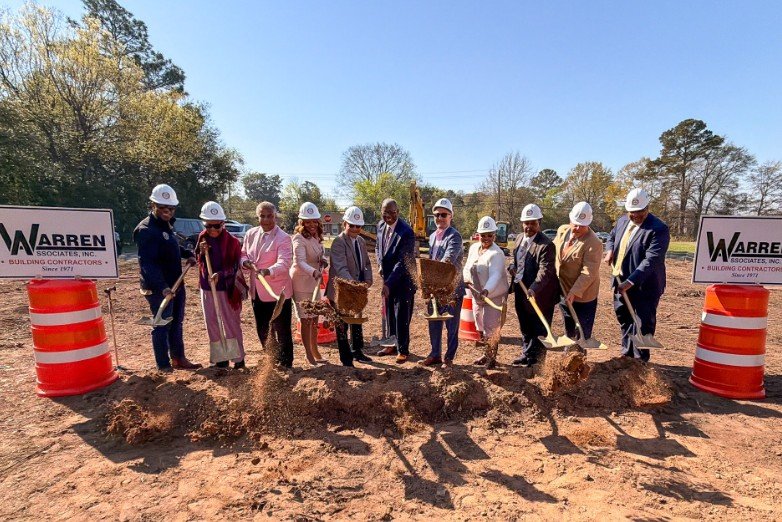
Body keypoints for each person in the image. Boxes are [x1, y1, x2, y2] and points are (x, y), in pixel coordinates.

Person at [133, 184, 201, 372]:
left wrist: (186, 253)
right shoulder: (146, 230)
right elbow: (147, 264)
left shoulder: (166, 227)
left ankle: (178, 358)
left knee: (176, 322)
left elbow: (170, 249)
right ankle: (163, 365)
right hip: (159, 288)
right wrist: (162, 287)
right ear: (153, 205)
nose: (167, 212)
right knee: (162, 324)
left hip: (176, 283)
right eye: (163, 208)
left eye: (171, 208)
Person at [604, 188, 670, 362]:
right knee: (624, 318)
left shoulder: (658, 229)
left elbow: (651, 260)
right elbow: (611, 237)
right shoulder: (622, 221)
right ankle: (627, 355)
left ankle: (640, 361)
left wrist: (631, 281)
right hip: (620, 281)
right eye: (632, 212)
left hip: (644, 286)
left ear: (648, 207)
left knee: (642, 324)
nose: (636, 216)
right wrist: (609, 250)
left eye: (640, 211)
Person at [241, 201, 294, 368]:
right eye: (262, 216)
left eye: (269, 216)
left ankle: (286, 363)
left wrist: (268, 271)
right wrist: (245, 262)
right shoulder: (250, 234)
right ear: (258, 217)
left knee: (282, 329)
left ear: (275, 216)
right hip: (257, 291)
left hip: (278, 292)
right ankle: (271, 358)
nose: (266, 220)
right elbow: (243, 253)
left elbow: (285, 262)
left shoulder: (283, 238)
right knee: (263, 328)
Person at [195, 201, 246, 369]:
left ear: (223, 224)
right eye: (208, 226)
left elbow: (235, 267)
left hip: (227, 289)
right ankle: (220, 358)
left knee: (231, 323)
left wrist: (221, 275)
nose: (212, 230)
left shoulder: (232, 242)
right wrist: (202, 253)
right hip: (208, 288)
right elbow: (199, 261)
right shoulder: (202, 238)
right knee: (212, 323)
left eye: (216, 226)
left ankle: (238, 359)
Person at [508, 203, 558, 367]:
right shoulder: (519, 238)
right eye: (526, 223)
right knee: (525, 324)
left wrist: (534, 288)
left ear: (539, 223)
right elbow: (516, 260)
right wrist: (512, 268)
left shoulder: (546, 245)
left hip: (540, 293)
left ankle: (538, 361)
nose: (529, 227)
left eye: (533, 223)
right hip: (521, 289)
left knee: (539, 327)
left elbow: (546, 271)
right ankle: (526, 354)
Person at [325, 206, 374, 367]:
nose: (354, 229)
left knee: (356, 321)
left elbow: (366, 263)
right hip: (342, 291)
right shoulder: (339, 242)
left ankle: (358, 351)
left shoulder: (360, 241)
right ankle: (346, 359)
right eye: (351, 225)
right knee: (342, 324)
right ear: (344, 224)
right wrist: (355, 285)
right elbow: (340, 268)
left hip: (357, 290)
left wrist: (367, 280)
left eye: (358, 226)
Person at [421, 198, 464, 368]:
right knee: (434, 322)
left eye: (443, 215)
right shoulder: (432, 236)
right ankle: (435, 354)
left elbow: (448, 260)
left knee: (451, 326)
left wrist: (432, 276)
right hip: (435, 288)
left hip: (451, 289)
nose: (440, 218)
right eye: (437, 215)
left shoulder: (455, 236)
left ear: (450, 216)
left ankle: (449, 357)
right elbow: (432, 259)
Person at [553, 202, 602, 346]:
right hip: (563, 288)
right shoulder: (562, 230)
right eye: (575, 224)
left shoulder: (594, 243)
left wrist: (574, 292)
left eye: (582, 225)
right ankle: (568, 354)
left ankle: (579, 359)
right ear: (570, 220)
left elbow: (588, 272)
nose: (578, 228)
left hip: (584, 295)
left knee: (582, 333)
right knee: (569, 325)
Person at [375, 198, 417, 364]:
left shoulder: (406, 232)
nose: (389, 216)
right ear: (382, 212)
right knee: (390, 313)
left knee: (401, 315)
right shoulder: (380, 226)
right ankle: (391, 345)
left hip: (403, 281)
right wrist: (379, 264)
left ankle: (403, 349)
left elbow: (402, 263)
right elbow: (379, 248)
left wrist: (388, 283)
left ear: (398, 212)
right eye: (386, 213)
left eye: (393, 213)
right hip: (388, 279)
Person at [464, 216, 508, 368]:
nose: (486, 238)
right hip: (477, 294)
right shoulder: (473, 249)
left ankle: (492, 358)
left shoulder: (496, 254)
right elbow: (467, 266)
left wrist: (487, 290)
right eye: (483, 235)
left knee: (491, 326)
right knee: (480, 323)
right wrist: (466, 279)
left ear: (494, 235)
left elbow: (496, 275)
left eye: (490, 235)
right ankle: (486, 353)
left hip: (492, 296)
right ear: (478, 235)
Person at [290, 202, 328, 365]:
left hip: (314, 281)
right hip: (302, 282)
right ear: (302, 222)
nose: (312, 225)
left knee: (315, 318)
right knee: (306, 319)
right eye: (308, 221)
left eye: (314, 221)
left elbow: (319, 255)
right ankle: (308, 354)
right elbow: (300, 262)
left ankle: (315, 349)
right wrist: (314, 271)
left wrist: (323, 261)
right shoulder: (298, 238)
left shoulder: (317, 237)